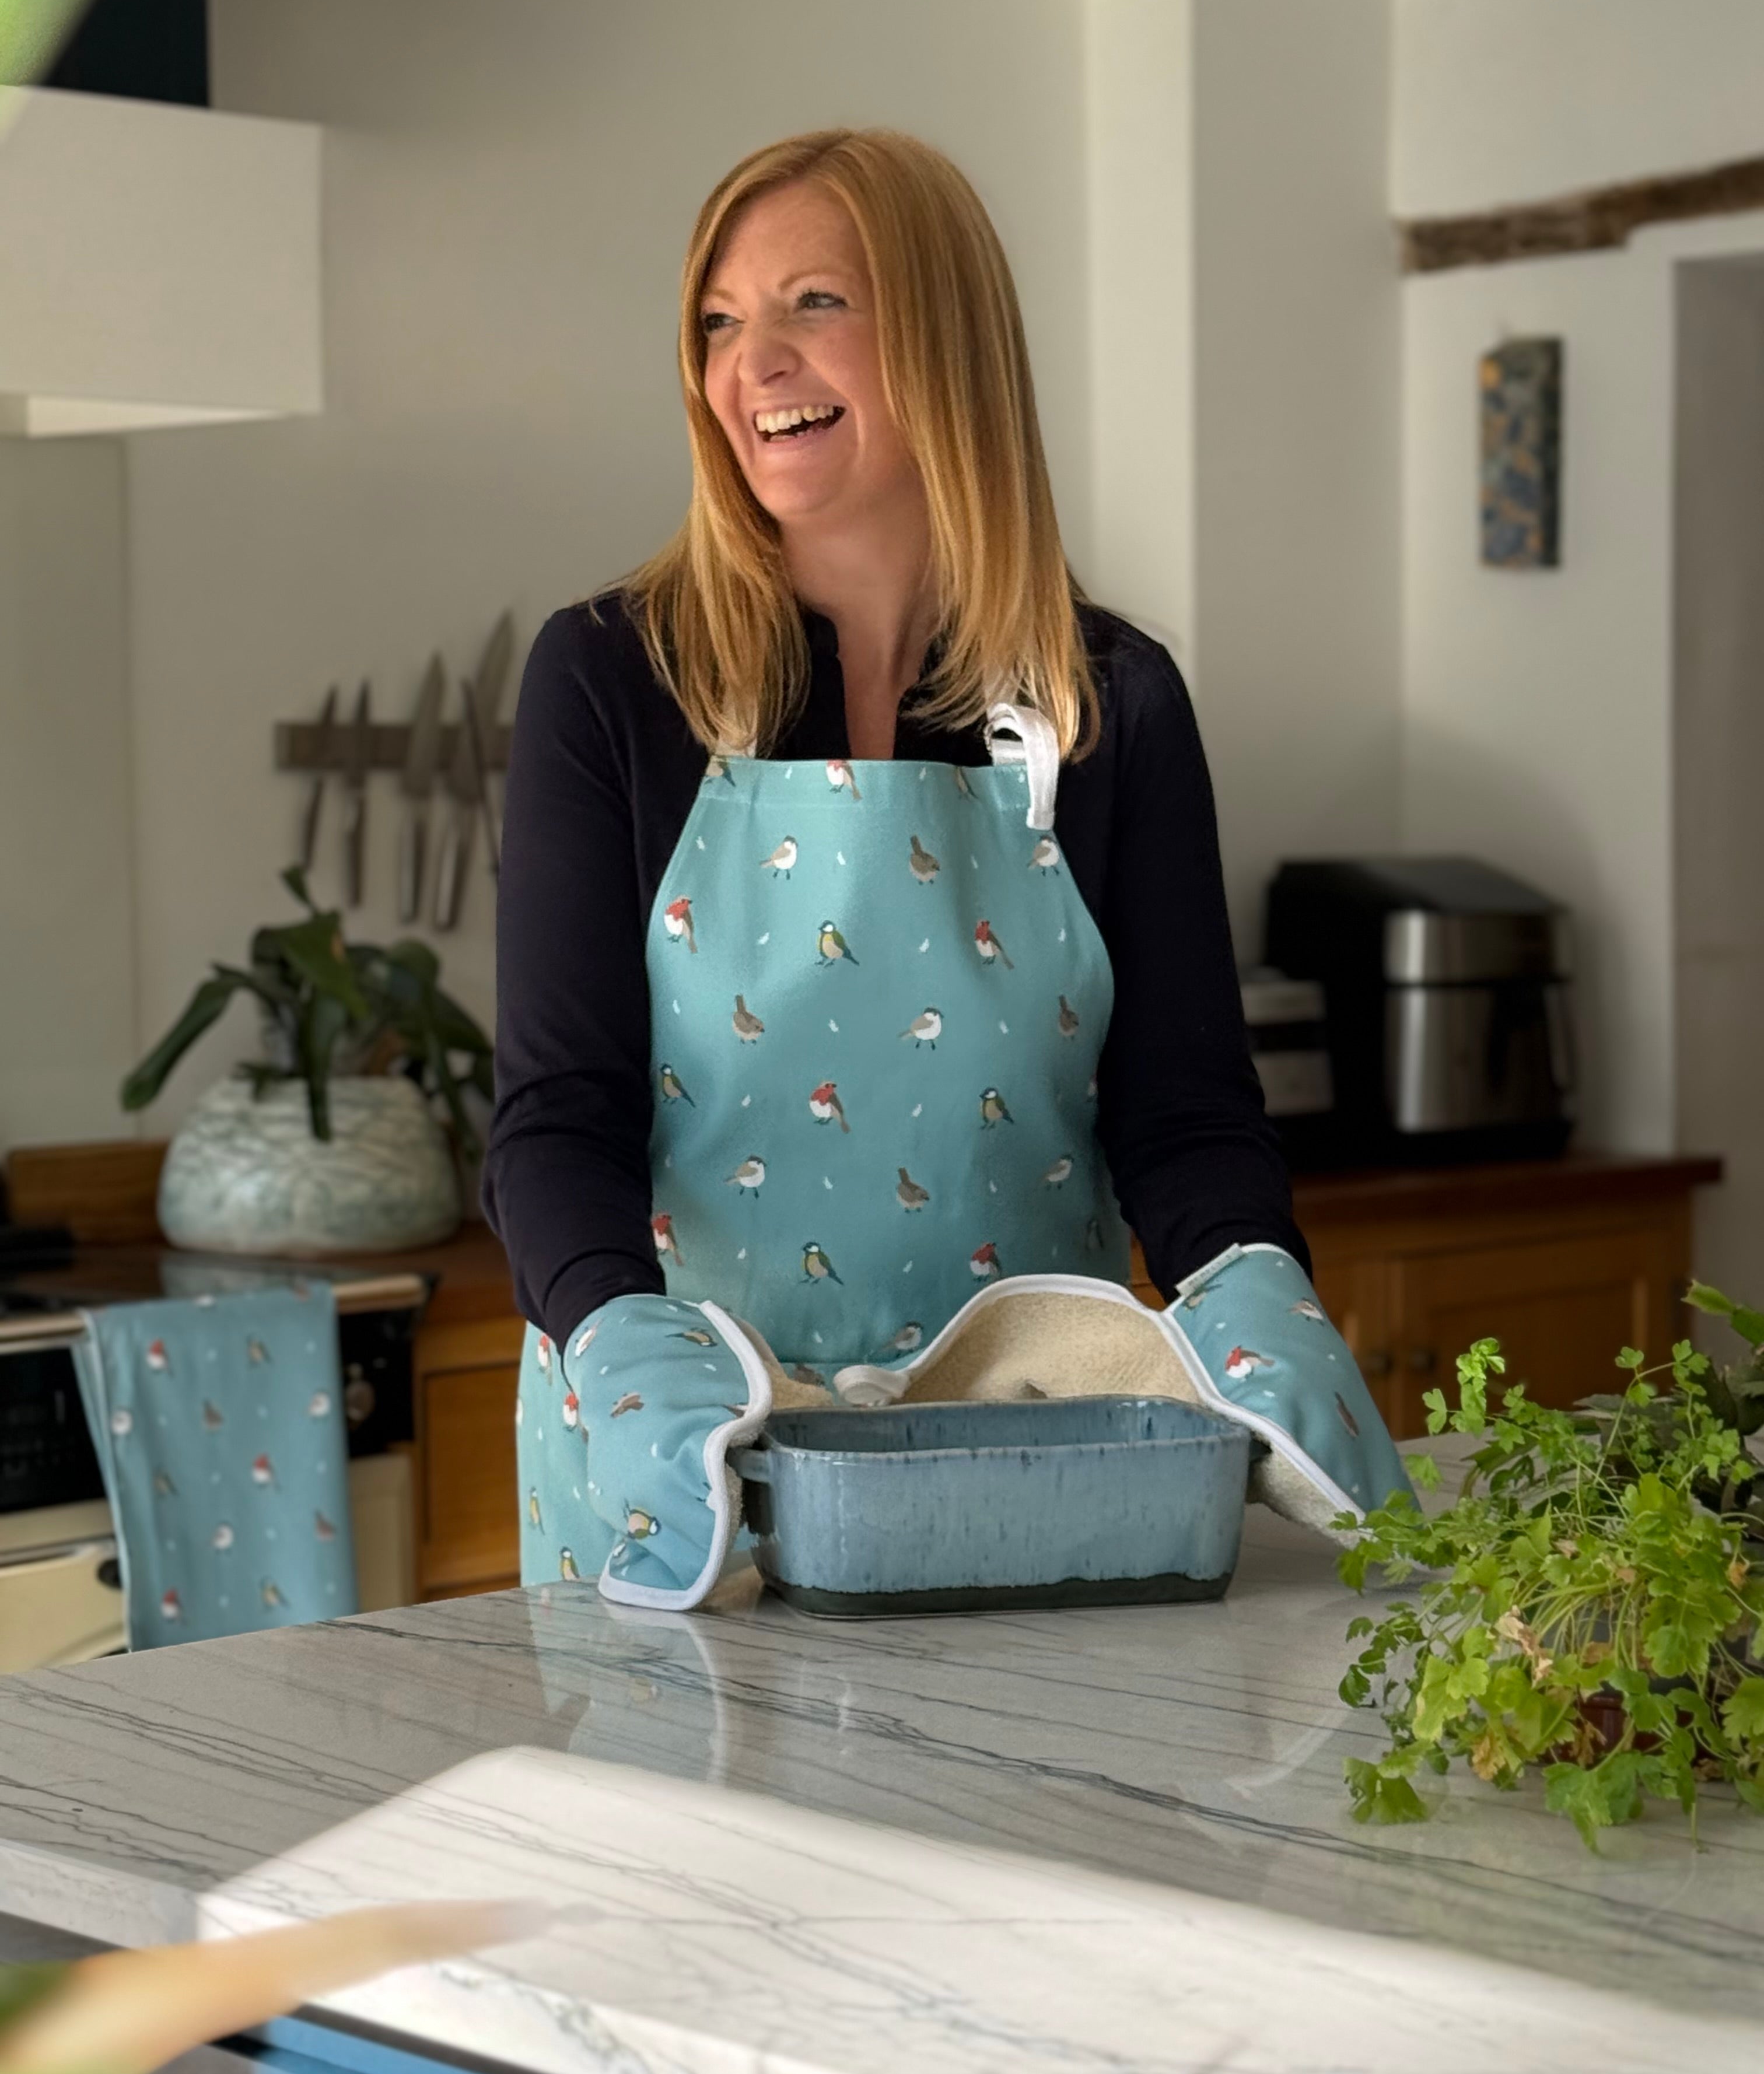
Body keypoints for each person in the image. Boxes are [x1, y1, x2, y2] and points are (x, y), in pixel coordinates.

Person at [485, 128, 1406, 1607]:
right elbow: (553, 1117)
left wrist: (1254, 1286)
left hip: (1028, 1463)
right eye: (720, 324)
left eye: (815, 304)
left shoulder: (1114, 697)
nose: (755, 364)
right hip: (694, 1472)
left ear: (949, 334)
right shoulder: (613, 677)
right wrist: (616, 1341)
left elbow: (1180, 1114)